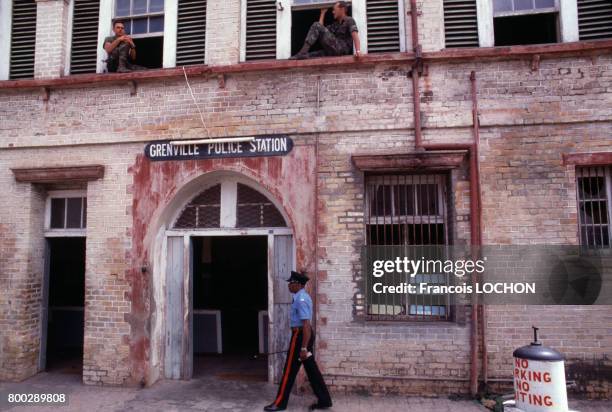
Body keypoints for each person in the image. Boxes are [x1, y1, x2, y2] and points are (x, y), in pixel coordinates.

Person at [264, 271, 332, 411]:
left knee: (289, 370)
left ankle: (279, 403)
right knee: (312, 370)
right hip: (303, 336)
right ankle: (324, 400)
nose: (289, 285)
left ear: (298, 284)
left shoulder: (301, 299)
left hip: (300, 336)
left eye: (291, 283)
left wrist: (303, 348)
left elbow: (306, 324)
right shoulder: (300, 297)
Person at [290, 1, 361, 60]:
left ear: (342, 9)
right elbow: (320, 30)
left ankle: (302, 52)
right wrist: (322, 13)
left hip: (341, 49)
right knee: (311, 55)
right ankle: (303, 54)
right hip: (333, 50)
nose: (333, 12)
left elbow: (355, 35)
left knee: (316, 25)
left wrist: (358, 50)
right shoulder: (335, 24)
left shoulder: (349, 20)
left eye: (334, 9)